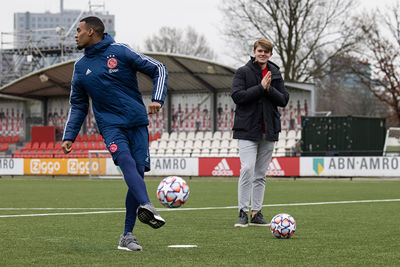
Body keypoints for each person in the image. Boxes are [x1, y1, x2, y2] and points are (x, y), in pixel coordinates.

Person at [61, 16, 168, 251]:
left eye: (78, 30)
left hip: (137, 122)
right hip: (110, 126)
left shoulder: (120, 51)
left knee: (137, 174)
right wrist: (69, 135)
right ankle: (147, 205)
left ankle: (127, 236)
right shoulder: (80, 68)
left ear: (92, 32)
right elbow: (79, 105)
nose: (75, 35)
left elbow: (159, 68)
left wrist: (158, 100)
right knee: (126, 161)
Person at [231, 38, 289, 227]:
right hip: (247, 129)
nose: (262, 54)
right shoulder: (243, 72)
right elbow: (238, 96)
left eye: (266, 51)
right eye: (259, 50)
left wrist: (269, 88)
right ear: (254, 52)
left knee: (261, 174)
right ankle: (242, 211)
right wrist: (260, 88)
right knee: (247, 169)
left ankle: (256, 213)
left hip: (269, 130)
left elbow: (283, 100)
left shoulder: (276, 73)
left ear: (270, 54)